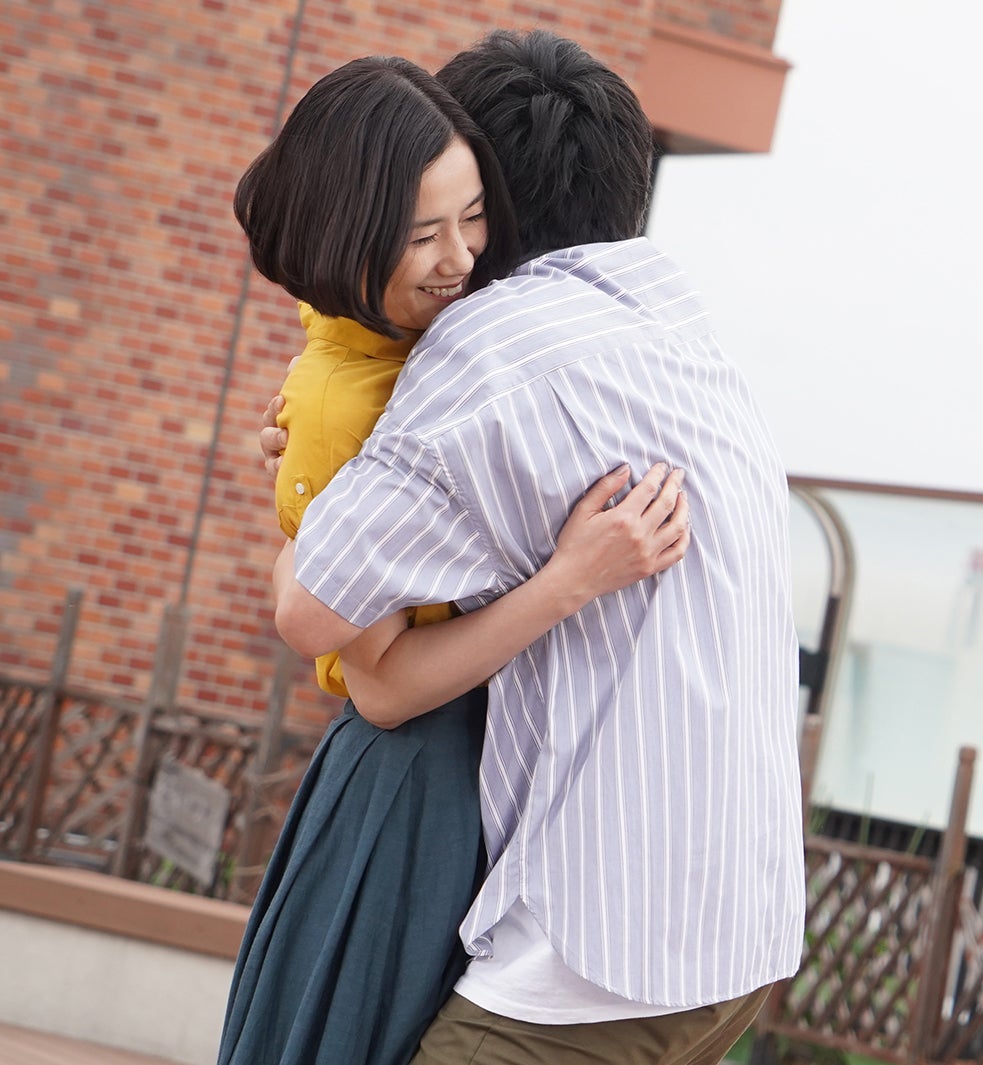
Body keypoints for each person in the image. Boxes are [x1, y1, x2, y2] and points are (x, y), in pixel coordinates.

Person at [272, 29, 805, 1065]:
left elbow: (314, 614)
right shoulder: (692, 346)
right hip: (737, 941)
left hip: (592, 958)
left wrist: (297, 479)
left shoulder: (490, 348)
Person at [221, 55, 690, 1065]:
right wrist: (571, 579)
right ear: (353, 232)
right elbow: (381, 686)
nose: (459, 257)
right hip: (419, 778)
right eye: (420, 232)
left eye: (471, 217)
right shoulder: (364, 395)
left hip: (465, 772)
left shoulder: (412, 355)